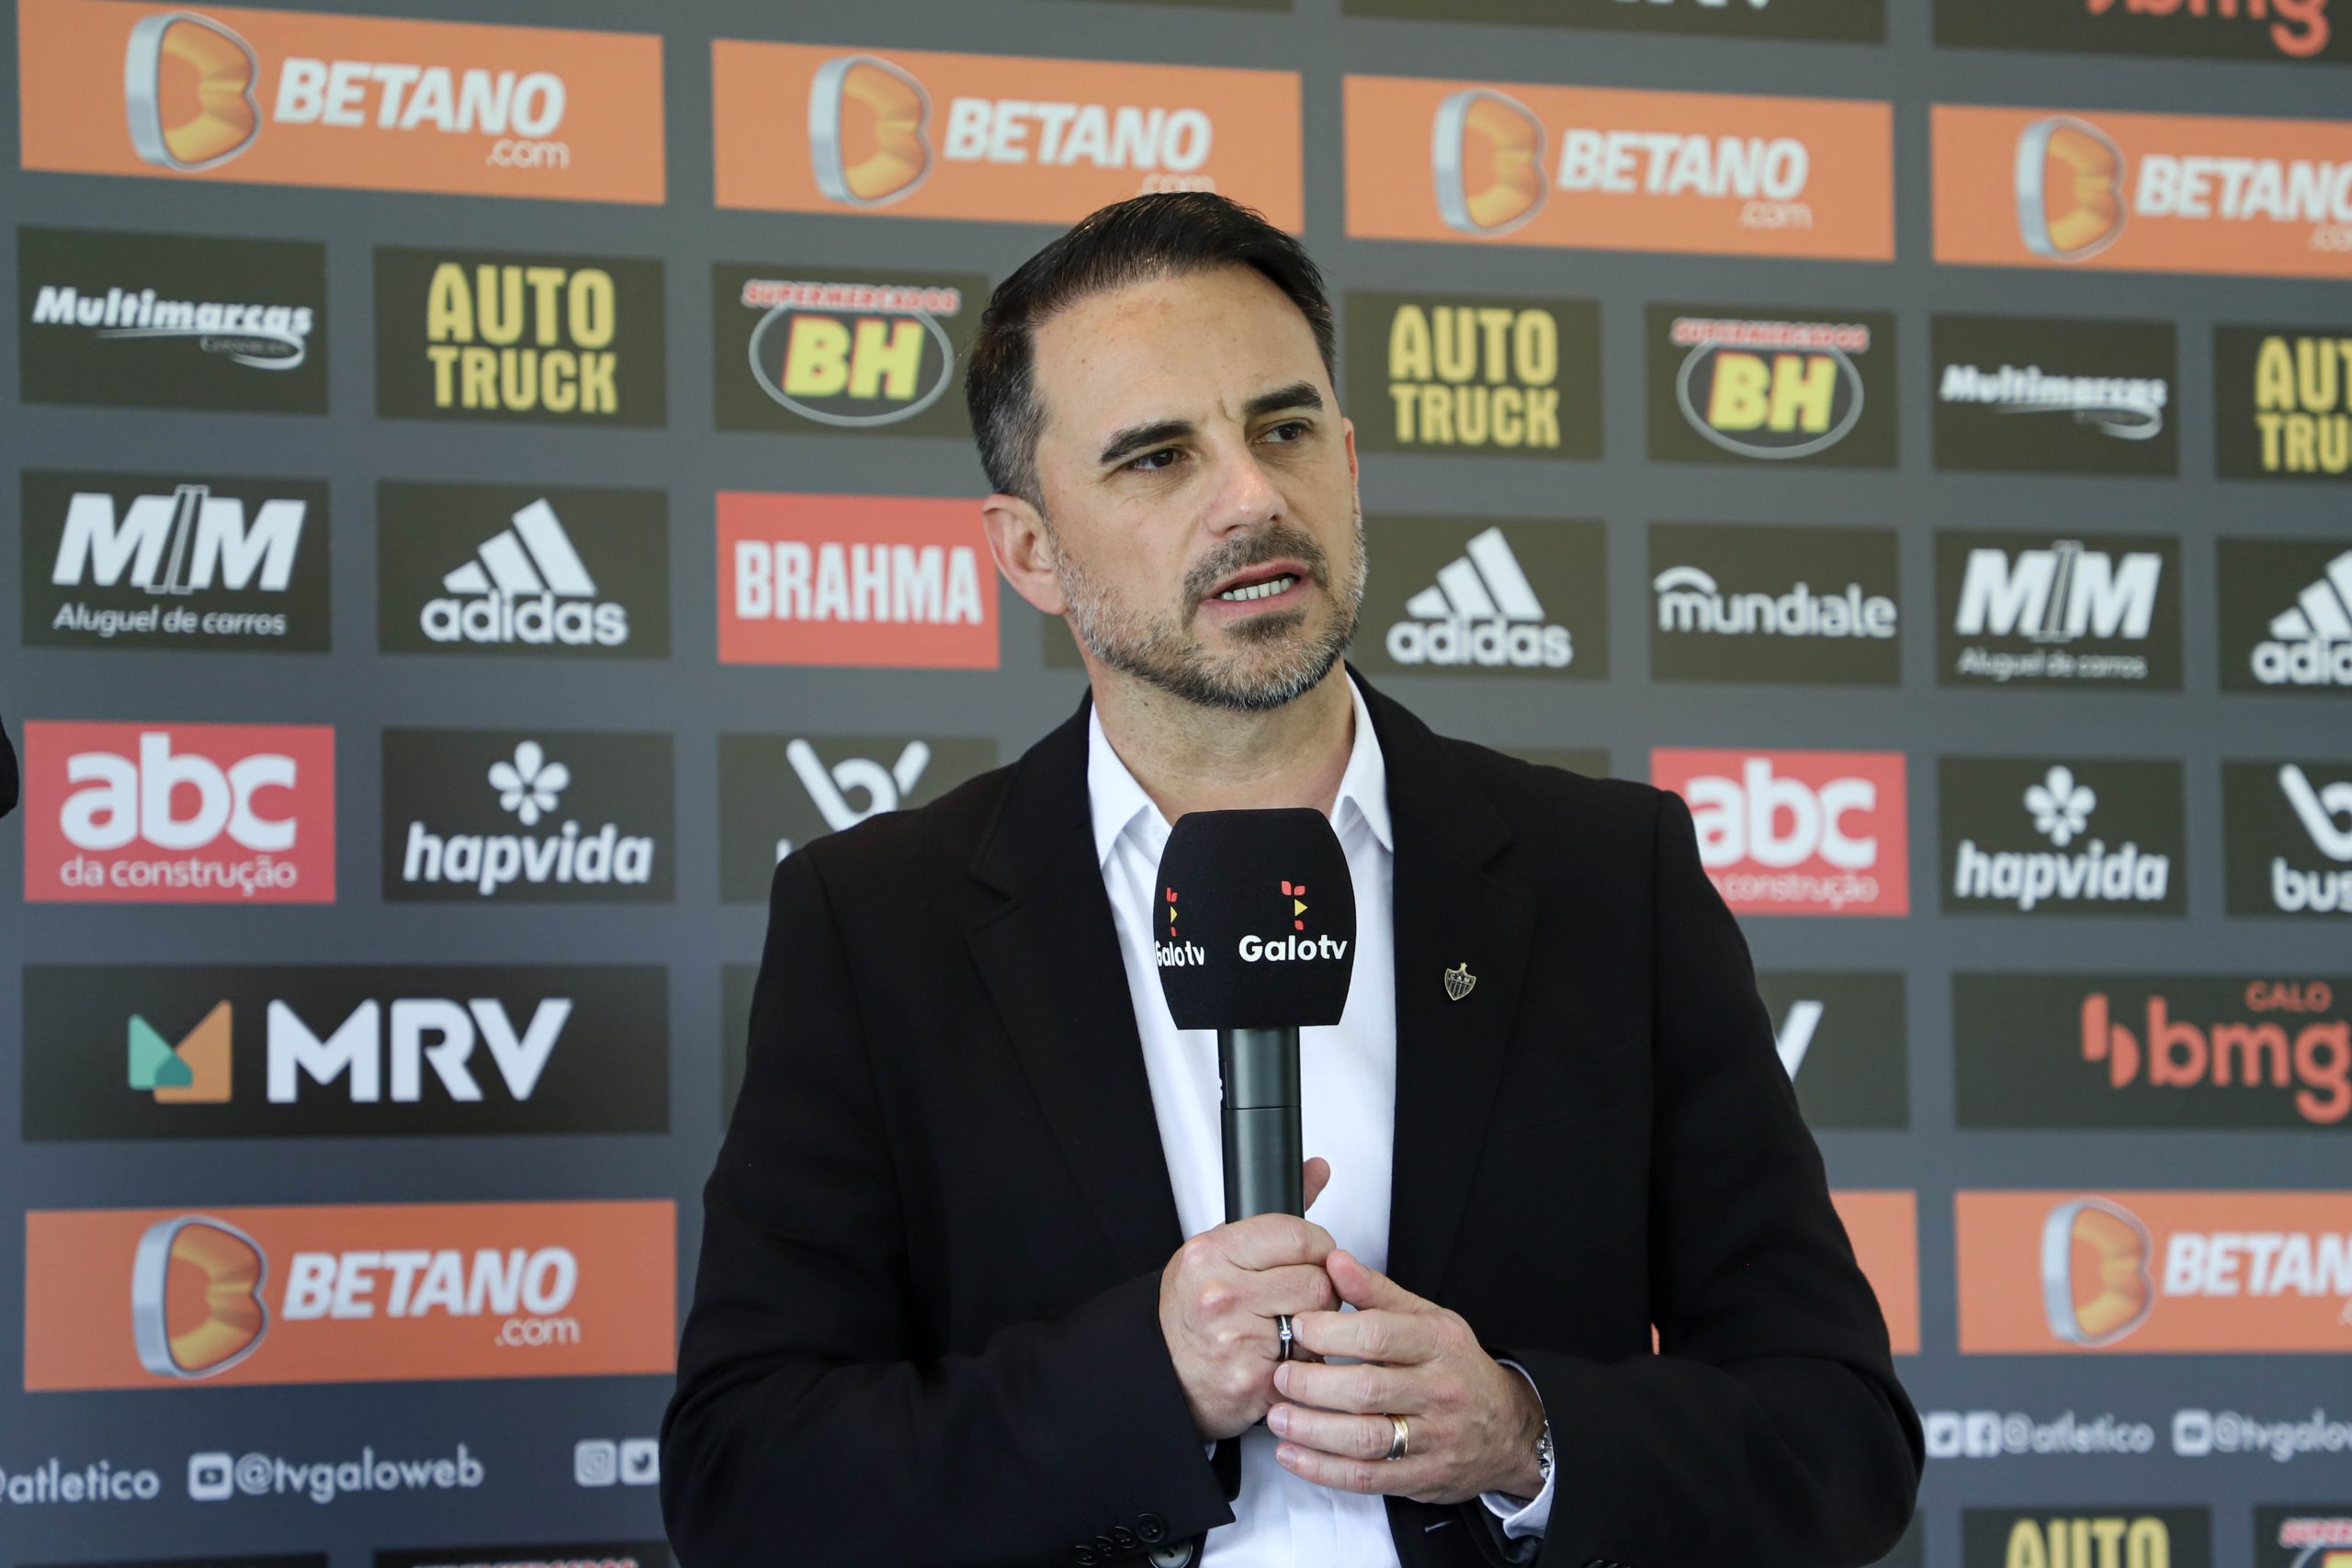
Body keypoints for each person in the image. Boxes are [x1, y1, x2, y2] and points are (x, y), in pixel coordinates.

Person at [663, 194, 1920, 1568]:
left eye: (1284, 428)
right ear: (1029, 549)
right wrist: (1144, 1384)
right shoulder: (875, 922)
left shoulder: (1613, 878)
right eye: (1156, 457)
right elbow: (746, 1481)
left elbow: (1843, 1439)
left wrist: (1524, 1437)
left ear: (1350, 459)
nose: (1251, 495)